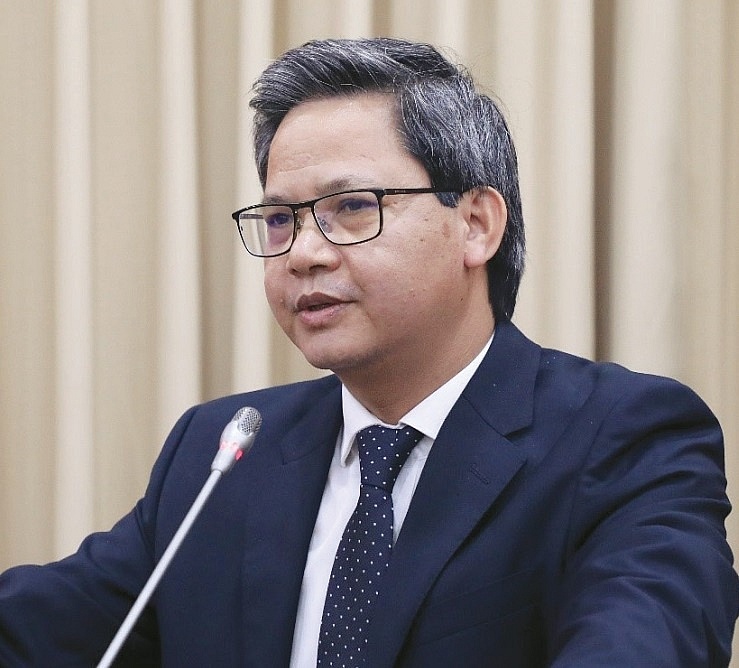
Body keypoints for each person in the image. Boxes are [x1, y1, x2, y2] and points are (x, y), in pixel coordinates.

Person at [0, 36, 737, 667]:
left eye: (351, 207)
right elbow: (40, 630)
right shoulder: (221, 453)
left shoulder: (623, 438)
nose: (304, 253)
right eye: (280, 219)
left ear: (476, 224)